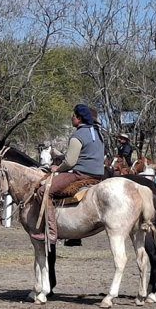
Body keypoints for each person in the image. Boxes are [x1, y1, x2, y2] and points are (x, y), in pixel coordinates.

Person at [32, 104, 105, 243]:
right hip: (98, 175)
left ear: (78, 118)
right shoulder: (98, 133)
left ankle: (51, 233)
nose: (71, 118)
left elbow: (70, 162)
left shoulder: (78, 135)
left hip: (80, 175)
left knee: (43, 191)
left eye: (73, 115)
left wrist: (57, 169)